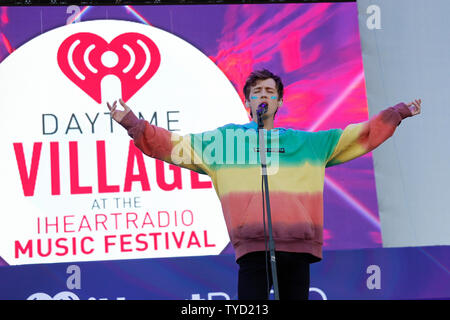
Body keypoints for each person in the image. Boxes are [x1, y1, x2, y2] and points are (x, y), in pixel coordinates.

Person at [107, 69, 422, 300]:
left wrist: (398, 113)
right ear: (246, 101)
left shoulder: (307, 144)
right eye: (257, 91)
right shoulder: (223, 142)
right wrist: (132, 123)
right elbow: (170, 144)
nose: (263, 96)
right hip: (253, 251)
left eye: (270, 92)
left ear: (280, 101)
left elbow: (360, 135)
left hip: (298, 250)